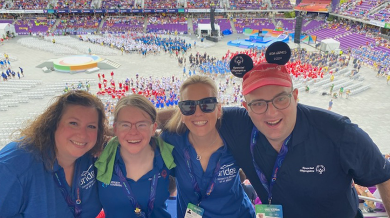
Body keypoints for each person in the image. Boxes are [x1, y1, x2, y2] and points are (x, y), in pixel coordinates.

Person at [218, 59, 390, 217]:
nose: (271, 112)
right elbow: (198, 116)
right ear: (245, 107)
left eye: (281, 99)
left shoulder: (339, 132)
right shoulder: (238, 125)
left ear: (295, 96)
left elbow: (384, 176)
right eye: (258, 103)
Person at [0, 90, 106, 217]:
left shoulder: (93, 156)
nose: (82, 135)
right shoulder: (13, 166)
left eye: (91, 126)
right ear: (54, 123)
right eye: (73, 123)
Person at [161, 75, 255, 218]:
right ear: (181, 112)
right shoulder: (171, 140)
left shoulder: (234, 137)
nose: (198, 113)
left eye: (207, 104)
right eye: (189, 106)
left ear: (218, 110)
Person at [95, 94, 175, 218]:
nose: (133, 132)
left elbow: (182, 114)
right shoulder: (100, 157)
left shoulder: (168, 155)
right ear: (115, 129)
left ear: (154, 128)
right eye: (125, 125)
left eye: (141, 124)